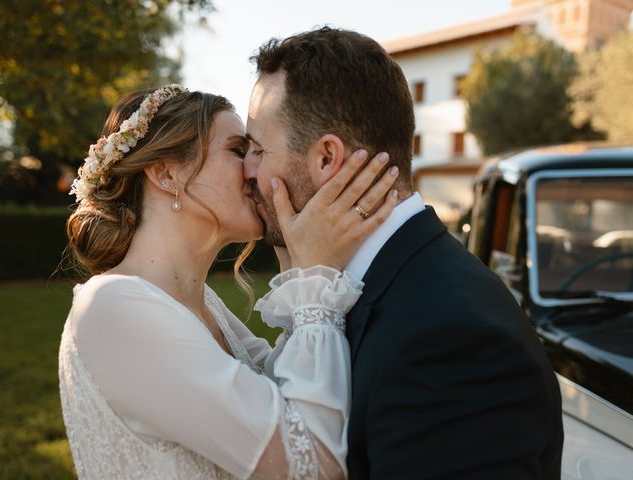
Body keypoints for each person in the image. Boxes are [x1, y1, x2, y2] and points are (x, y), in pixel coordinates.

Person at [244, 27, 564, 479]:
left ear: (326, 159)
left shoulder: (454, 339)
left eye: (257, 149)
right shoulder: (362, 283)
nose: (245, 169)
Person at [59, 84, 400, 479]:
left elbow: (285, 393)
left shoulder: (200, 302)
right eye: (238, 151)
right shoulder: (116, 309)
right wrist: (313, 273)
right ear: (167, 172)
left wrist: (296, 251)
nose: (254, 169)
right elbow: (312, 467)